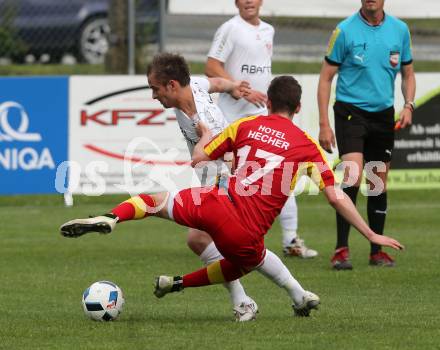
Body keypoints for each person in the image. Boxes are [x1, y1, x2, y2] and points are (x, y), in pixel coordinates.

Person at [60, 76, 404, 320]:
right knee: (243, 261)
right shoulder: (307, 147)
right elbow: (336, 197)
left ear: (268, 102)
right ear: (298, 107)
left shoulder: (246, 125)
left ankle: (112, 216)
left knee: (153, 202)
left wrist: (206, 134)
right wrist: (371, 234)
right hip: (245, 229)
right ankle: (183, 284)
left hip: (215, 201)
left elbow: (199, 156)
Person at [205, 0, 317, 258]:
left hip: (261, 115)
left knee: (281, 173)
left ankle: (290, 240)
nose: (248, 1)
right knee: (224, 181)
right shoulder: (230, 29)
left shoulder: (268, 30)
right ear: (236, 2)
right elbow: (211, 66)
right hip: (231, 118)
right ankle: (217, 239)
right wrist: (239, 88)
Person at [317, 0, 416, 270]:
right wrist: (324, 123)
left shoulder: (400, 30)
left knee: (378, 181)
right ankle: (341, 249)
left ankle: (377, 251)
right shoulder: (344, 31)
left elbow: (408, 73)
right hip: (350, 111)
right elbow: (325, 77)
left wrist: (408, 104)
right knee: (352, 174)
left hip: (383, 115)